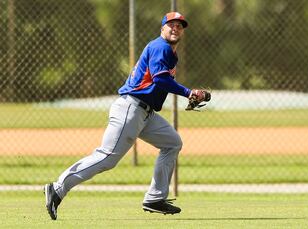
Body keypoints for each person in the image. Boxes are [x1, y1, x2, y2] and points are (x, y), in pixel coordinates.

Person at [44, 11, 209, 220]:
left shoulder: (169, 52)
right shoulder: (161, 47)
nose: (175, 28)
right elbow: (160, 80)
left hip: (146, 113)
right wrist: (188, 93)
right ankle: (57, 188)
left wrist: (189, 93)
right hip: (131, 109)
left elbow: (160, 81)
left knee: (172, 143)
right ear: (162, 29)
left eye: (180, 25)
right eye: (171, 24)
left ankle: (155, 198)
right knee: (106, 158)